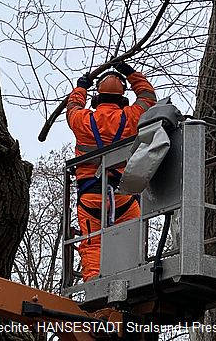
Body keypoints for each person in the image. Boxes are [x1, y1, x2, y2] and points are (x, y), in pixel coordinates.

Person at [66, 62, 157, 281]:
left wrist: (81, 87)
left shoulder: (82, 120)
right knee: (130, 241)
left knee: (93, 243)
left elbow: (72, 108)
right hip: (123, 195)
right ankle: (132, 282)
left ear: (97, 99)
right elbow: (147, 96)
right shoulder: (132, 117)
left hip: (91, 196)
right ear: (123, 99)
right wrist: (130, 72)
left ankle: (93, 285)